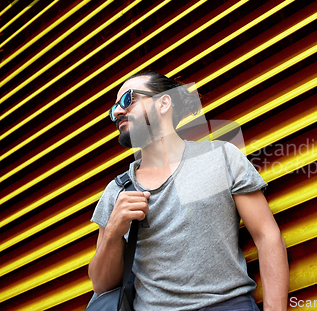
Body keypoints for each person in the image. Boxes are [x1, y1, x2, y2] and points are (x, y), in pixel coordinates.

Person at [88, 71, 289, 311]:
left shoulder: (220, 157)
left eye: (127, 100)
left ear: (164, 102)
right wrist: (113, 231)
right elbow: (101, 284)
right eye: (114, 109)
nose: (118, 112)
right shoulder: (117, 190)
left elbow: (267, 237)